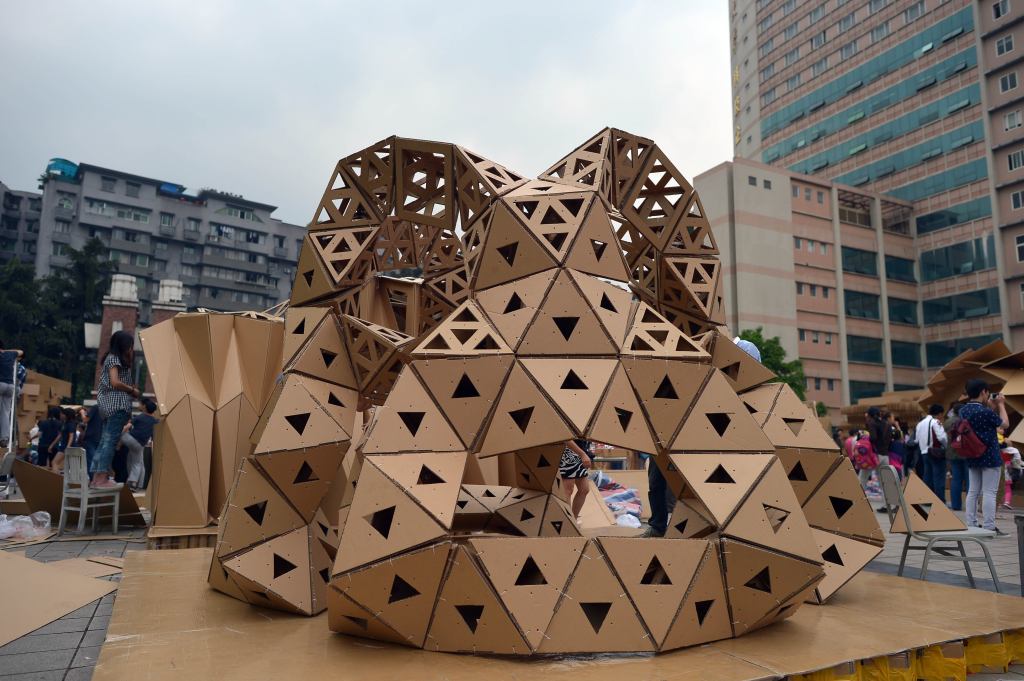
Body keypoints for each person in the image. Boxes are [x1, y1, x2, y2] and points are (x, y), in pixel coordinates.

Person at [91, 330, 140, 489]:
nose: (131, 350)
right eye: (130, 346)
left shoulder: (109, 359)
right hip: (117, 405)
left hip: (107, 406)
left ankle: (96, 477)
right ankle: (101, 478)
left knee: (105, 441)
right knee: (110, 442)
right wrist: (132, 390)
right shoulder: (114, 359)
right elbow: (115, 382)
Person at [960, 379, 1008, 534]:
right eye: (987, 392)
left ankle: (971, 523)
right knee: (989, 492)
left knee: (973, 490)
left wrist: (991, 407)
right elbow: (1004, 424)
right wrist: (1001, 405)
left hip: (972, 454)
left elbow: (982, 421)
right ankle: (989, 526)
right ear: (983, 392)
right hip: (990, 456)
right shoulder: (985, 412)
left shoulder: (963, 410)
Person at [121, 400, 158, 490]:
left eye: (141, 404)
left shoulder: (140, 416)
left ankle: (133, 482)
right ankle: (137, 483)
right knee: (137, 462)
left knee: (135, 461)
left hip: (129, 439)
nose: (139, 405)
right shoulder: (155, 421)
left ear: (144, 407)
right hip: (140, 444)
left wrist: (120, 437)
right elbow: (154, 435)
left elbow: (127, 427)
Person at [915, 403, 948, 501]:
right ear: (939, 414)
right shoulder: (935, 422)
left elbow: (916, 439)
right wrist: (946, 446)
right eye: (942, 414)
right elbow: (942, 437)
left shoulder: (920, 424)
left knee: (927, 476)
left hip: (924, 452)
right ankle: (940, 500)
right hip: (935, 452)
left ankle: (926, 499)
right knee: (938, 477)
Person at [859, 407, 891, 500]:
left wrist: (864, 436)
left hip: (873, 456)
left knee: (862, 478)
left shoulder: (872, 423)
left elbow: (873, 438)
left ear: (869, 415)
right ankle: (888, 505)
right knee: (884, 481)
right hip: (885, 455)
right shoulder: (887, 424)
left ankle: (857, 502)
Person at [559, 438, 592, 519]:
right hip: (568, 452)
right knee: (568, 490)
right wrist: (582, 454)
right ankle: (568, 521)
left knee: (584, 489)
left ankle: (573, 519)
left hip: (579, 450)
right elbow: (565, 436)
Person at [0, 343, 23, 450]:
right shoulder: (10, 354)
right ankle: (4, 438)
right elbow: (21, 351)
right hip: (10, 386)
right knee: (5, 413)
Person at [945, 403, 967, 511]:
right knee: (969, 480)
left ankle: (956, 505)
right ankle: (971, 505)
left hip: (952, 453)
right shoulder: (966, 420)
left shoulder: (948, 422)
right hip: (966, 453)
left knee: (956, 480)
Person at [1001, 436, 1022, 511]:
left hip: (998, 470)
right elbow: (1018, 461)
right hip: (1008, 473)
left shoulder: (1000, 450)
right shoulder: (1014, 451)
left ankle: (995, 503)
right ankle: (1006, 502)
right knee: (1008, 489)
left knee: (995, 490)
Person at [81, 405, 104, 471]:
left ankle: (92, 479)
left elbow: (85, 420)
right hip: (101, 437)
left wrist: (82, 412)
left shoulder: (96, 407)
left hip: (91, 437)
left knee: (91, 459)